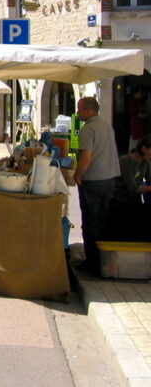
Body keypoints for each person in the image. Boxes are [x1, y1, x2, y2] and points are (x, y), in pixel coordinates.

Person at [73, 97, 121, 272]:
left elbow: (86, 157)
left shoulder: (89, 128)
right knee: (103, 219)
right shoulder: (106, 125)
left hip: (94, 180)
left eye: (79, 109)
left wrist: (77, 176)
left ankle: (92, 263)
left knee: (91, 221)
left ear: (89, 110)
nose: (77, 112)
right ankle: (105, 261)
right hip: (109, 178)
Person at [106, 135, 151, 241]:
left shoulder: (146, 163)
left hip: (134, 201)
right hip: (119, 201)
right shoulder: (125, 161)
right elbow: (133, 187)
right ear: (144, 148)